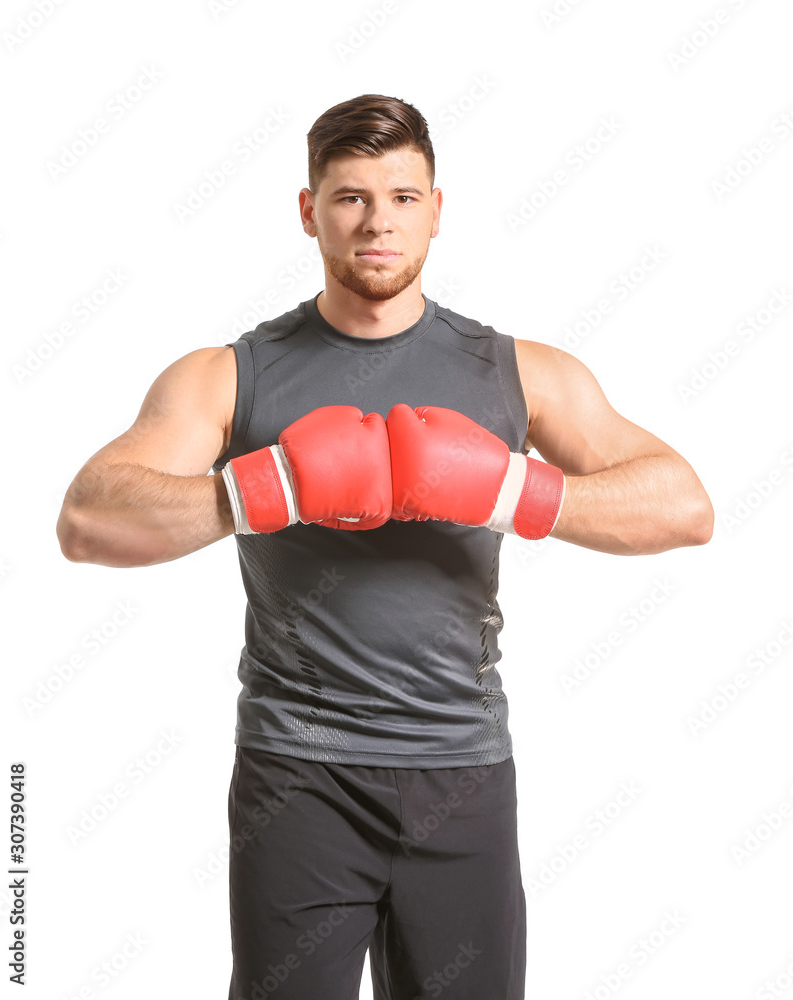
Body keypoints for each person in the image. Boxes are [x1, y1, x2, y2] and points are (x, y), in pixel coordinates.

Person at [56, 93, 714, 1000]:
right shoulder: (231, 373)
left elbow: (685, 506)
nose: (378, 222)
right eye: (351, 197)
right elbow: (88, 520)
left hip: (463, 774)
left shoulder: (517, 372)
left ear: (438, 211)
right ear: (309, 210)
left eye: (403, 197)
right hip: (299, 777)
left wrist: (510, 487)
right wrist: (268, 489)